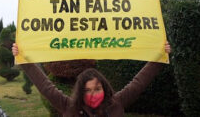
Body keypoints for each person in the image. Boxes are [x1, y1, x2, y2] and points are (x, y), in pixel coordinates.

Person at [12, 41, 171, 117]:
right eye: (87, 90)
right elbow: (45, 86)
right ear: (80, 92)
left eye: (97, 89)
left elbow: (139, 82)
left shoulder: (117, 103)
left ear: (105, 88)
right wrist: (24, 60)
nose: (93, 94)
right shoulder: (69, 107)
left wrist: (159, 57)